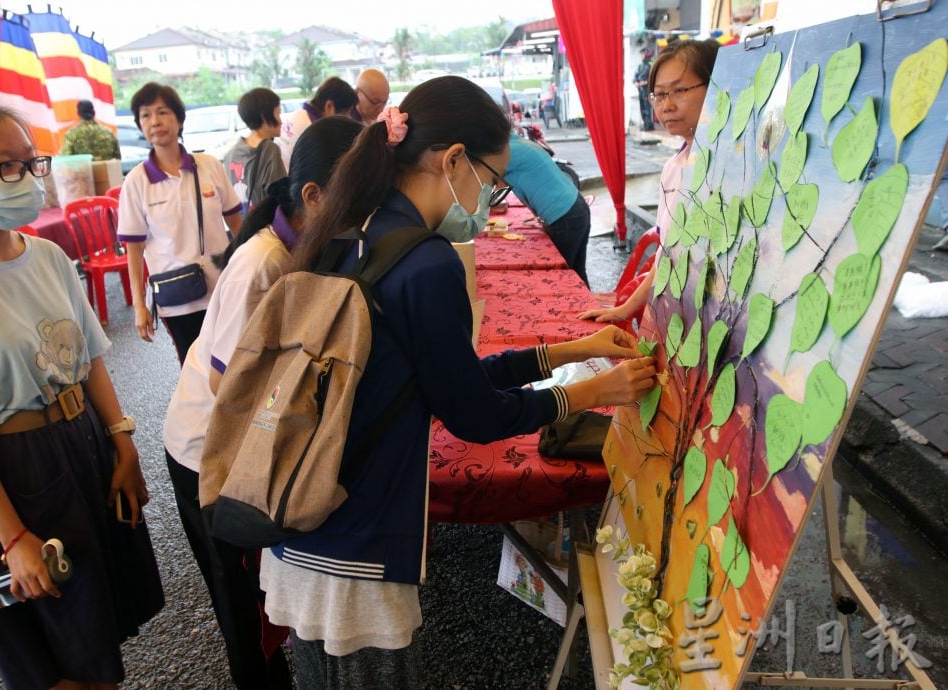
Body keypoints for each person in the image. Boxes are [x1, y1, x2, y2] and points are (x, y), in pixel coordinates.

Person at [259, 76, 657, 687]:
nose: (489, 200)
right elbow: (477, 418)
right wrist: (590, 392)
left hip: (301, 525)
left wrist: (573, 349)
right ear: (452, 160)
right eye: (492, 183)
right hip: (358, 549)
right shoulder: (425, 260)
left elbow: (452, 380)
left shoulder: (353, 224)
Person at [0, 96, 163, 689]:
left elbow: (91, 359)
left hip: (87, 444)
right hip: (21, 471)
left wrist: (122, 442)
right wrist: (15, 537)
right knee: (58, 642)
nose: (25, 179)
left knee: (100, 622)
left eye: (31, 163)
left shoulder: (48, 255)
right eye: (4, 167)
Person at [163, 116, 363, 690]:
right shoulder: (265, 263)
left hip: (237, 443)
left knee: (258, 592)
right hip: (210, 454)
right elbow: (231, 389)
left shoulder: (300, 247)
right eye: (360, 200)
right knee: (244, 609)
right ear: (313, 196)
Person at [580, 38, 720, 325]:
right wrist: (624, 309)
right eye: (658, 95)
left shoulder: (732, 170)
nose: (666, 105)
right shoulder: (673, 167)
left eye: (679, 91)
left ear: (717, 84)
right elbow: (668, 254)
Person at [117, 82, 244, 365]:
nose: (155, 121)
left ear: (179, 118)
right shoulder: (136, 182)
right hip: (178, 297)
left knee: (237, 360)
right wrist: (140, 306)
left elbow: (236, 223)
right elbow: (134, 250)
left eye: (162, 112)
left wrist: (252, 270)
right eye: (146, 115)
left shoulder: (209, 165)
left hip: (224, 287)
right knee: (194, 367)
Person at [506, 132, 591, 285]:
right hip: (577, 206)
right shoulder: (519, 142)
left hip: (564, 215)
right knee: (576, 272)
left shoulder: (506, 152)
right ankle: (588, 308)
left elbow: (488, 184)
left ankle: (576, 308)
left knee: (560, 277)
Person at [223, 87, 286, 211]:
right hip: (266, 226)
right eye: (278, 113)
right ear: (264, 116)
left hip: (243, 225)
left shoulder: (230, 154)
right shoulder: (270, 149)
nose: (281, 121)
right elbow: (281, 197)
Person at [276, 77, 358, 169]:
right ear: (329, 106)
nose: (349, 119)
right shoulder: (315, 133)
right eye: (345, 114)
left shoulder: (296, 116)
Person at [635, 48, 656, 132]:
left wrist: (646, 82)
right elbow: (636, 75)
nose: (641, 56)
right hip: (641, 89)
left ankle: (649, 125)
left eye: (643, 54)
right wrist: (636, 82)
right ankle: (645, 124)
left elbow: (653, 76)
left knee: (648, 107)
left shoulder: (651, 64)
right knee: (642, 107)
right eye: (641, 54)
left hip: (648, 89)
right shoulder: (640, 65)